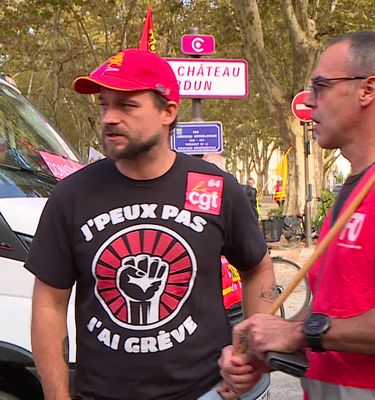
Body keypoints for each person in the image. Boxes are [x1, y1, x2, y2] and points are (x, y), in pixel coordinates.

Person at [220, 31, 375, 399]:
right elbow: (344, 314)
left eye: (321, 86)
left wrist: (297, 332)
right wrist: (271, 346)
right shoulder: (359, 186)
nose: (308, 100)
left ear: (368, 90)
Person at [26, 48, 275, 400]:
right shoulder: (71, 196)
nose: (109, 118)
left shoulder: (213, 187)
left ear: (168, 112)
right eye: (103, 104)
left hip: (207, 392)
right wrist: (56, 396)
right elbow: (48, 304)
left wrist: (252, 353)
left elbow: (257, 269)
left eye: (126, 106)